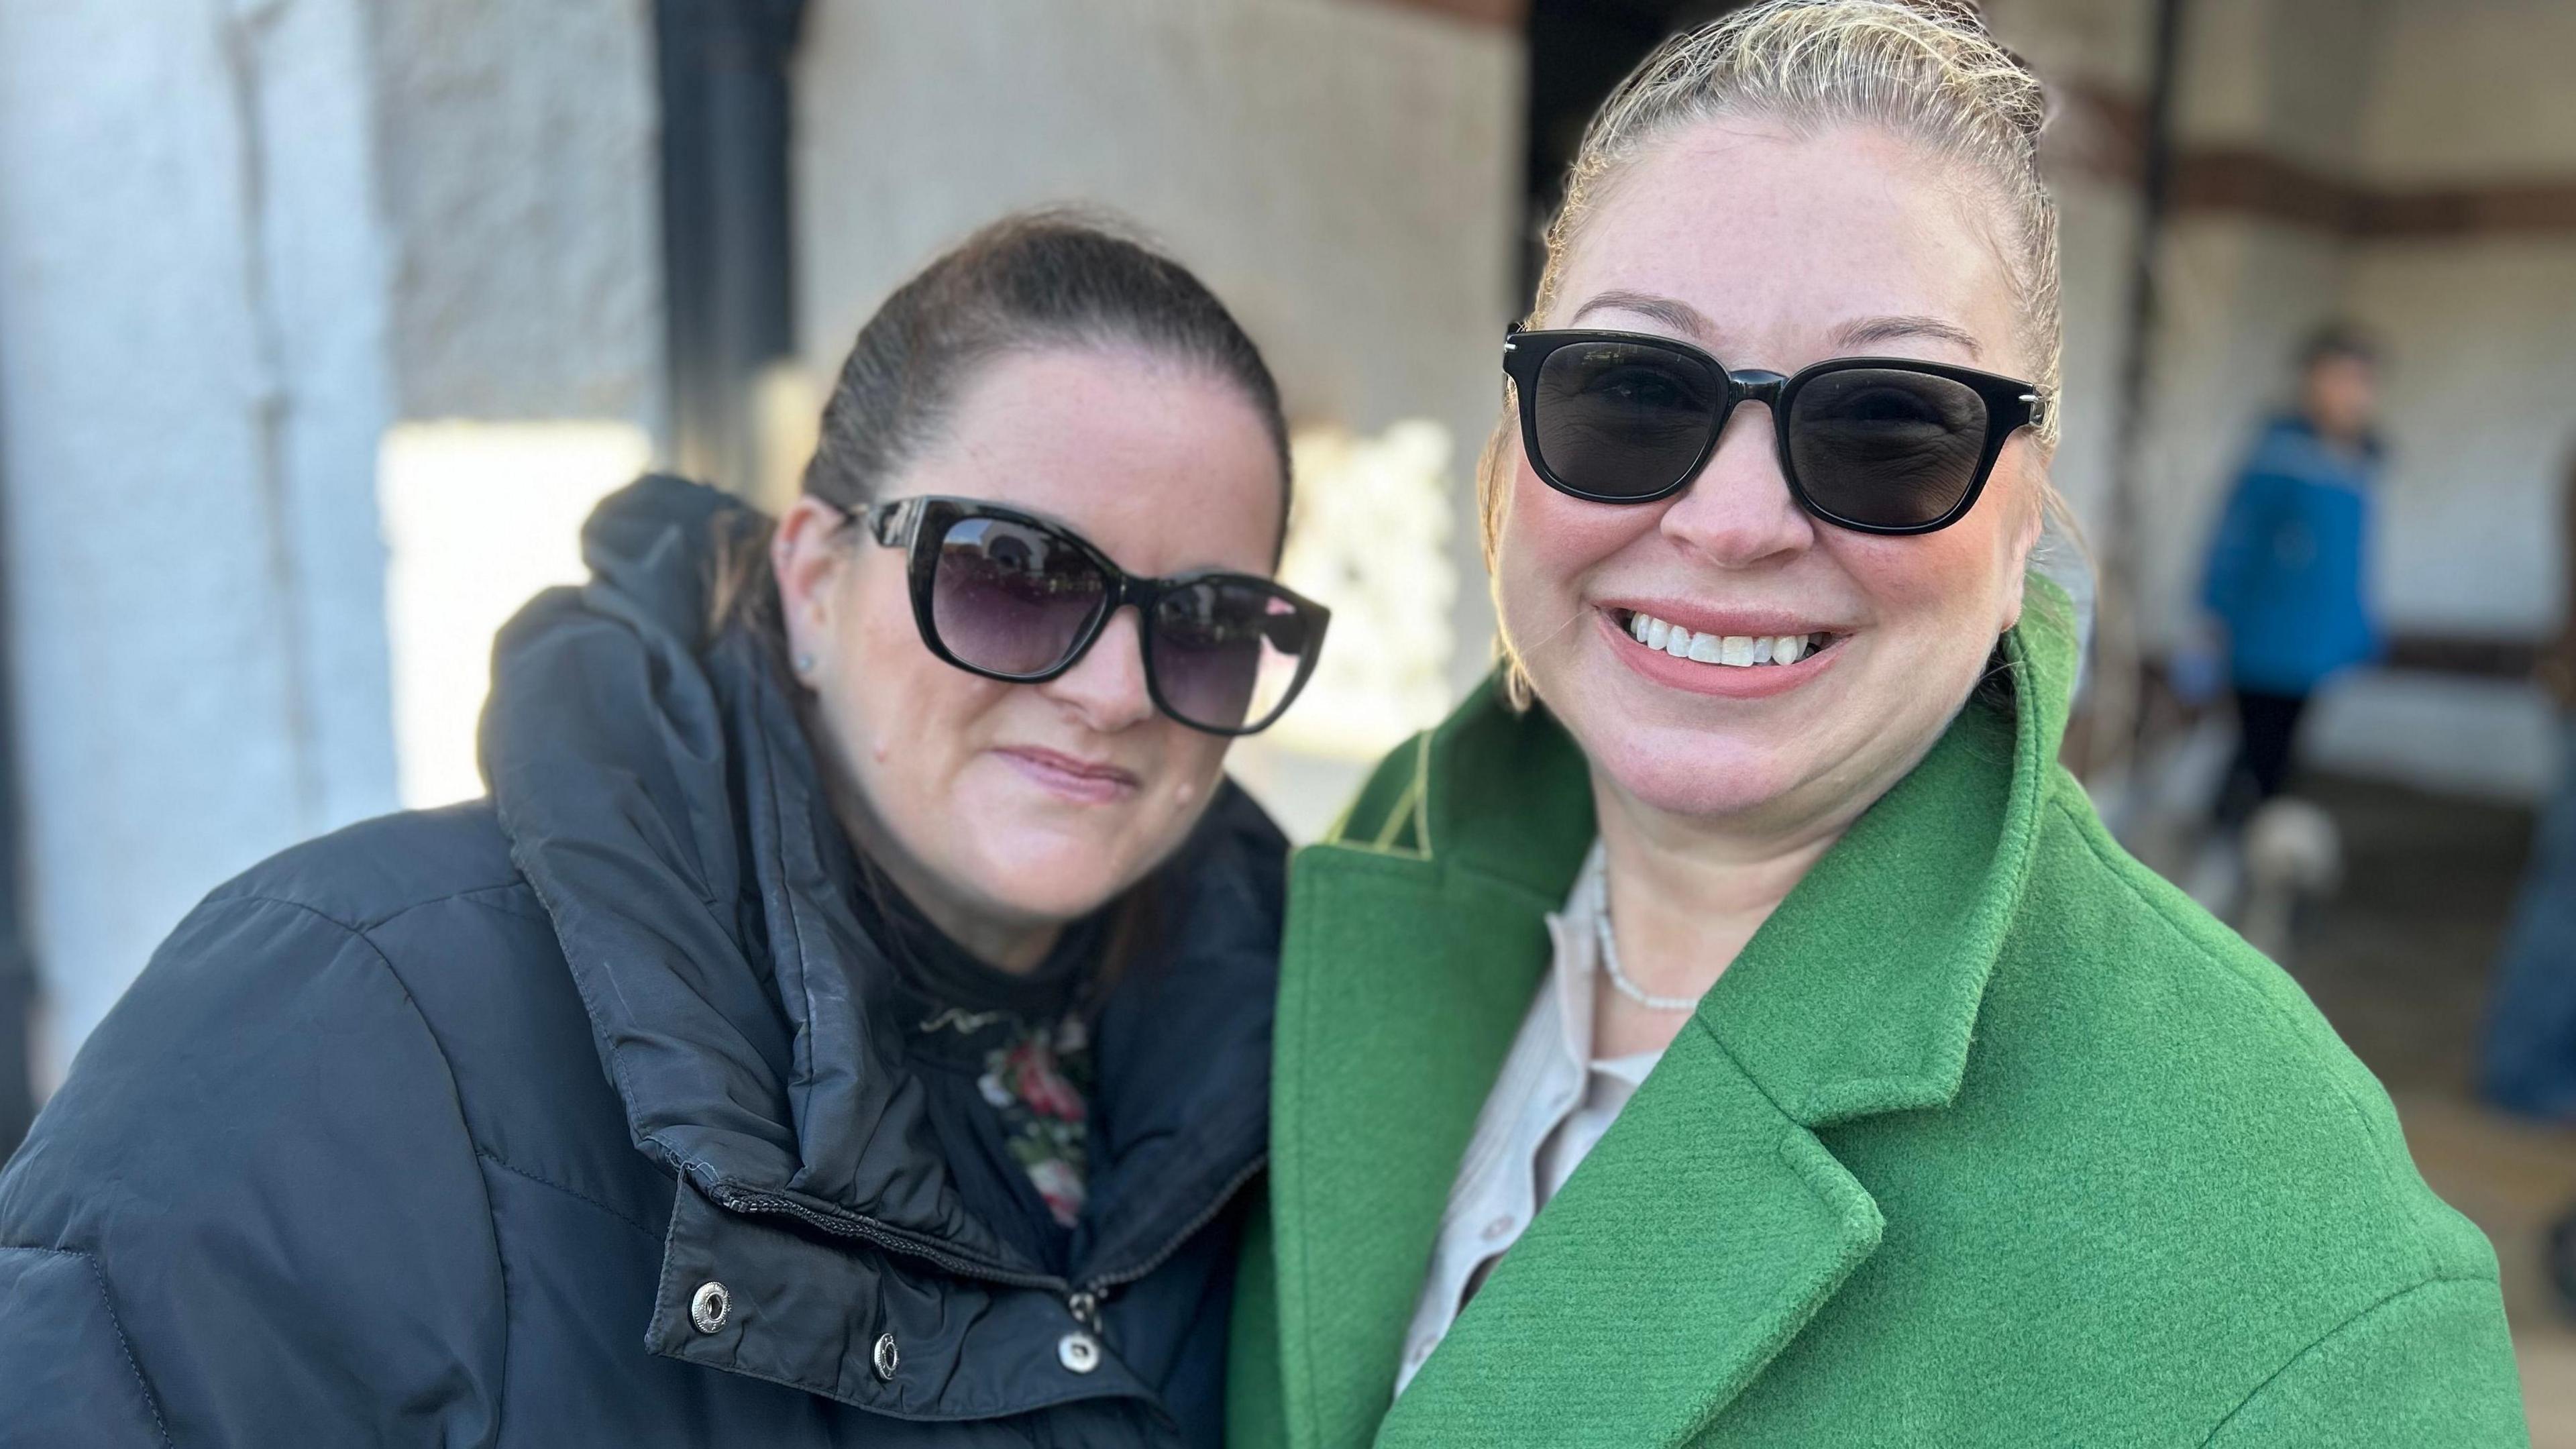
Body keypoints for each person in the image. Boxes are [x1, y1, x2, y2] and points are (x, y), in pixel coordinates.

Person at [1228, 4, 2526, 1445]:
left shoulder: (2305, 1267)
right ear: (1516, 429)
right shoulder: (1365, 866)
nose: (1727, 524)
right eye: (1634, 393)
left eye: (1887, 427)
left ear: (2026, 502)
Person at [0, 213, 1328, 1446]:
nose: (1110, 692)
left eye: (1206, 624)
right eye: (1015, 576)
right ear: (812, 579)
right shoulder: (352, 1013)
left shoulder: (1317, 1076)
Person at [2200, 325, 2386, 830]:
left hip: (2318, 637)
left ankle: (2248, 845)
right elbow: (2235, 536)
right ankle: (2233, 846)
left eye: (2359, 382)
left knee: (2280, 748)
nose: (2348, 393)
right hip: (2265, 632)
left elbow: (2352, 557)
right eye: (2336, 378)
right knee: (2259, 747)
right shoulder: (2279, 452)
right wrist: (2214, 609)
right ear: (2310, 381)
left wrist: (2357, 628)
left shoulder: (2362, 460)